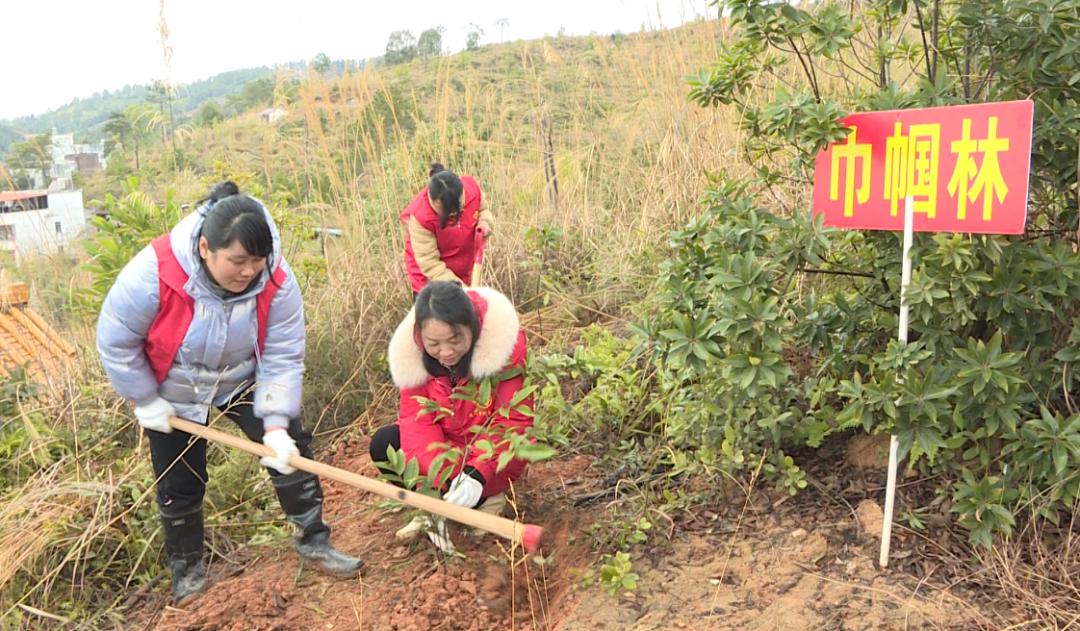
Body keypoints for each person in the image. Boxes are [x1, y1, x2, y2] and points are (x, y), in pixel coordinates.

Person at [96, 182, 363, 606]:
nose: (248, 272)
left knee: (292, 451)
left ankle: (314, 540)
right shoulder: (154, 271)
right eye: (237, 261)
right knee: (179, 479)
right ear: (205, 248)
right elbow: (116, 340)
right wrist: (144, 398)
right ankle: (188, 572)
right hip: (175, 386)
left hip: (243, 377)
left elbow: (283, 354)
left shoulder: (276, 278)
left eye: (256, 261)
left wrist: (275, 426)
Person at [369, 281, 532, 552]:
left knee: (503, 455)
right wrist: (435, 488)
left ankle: (488, 498)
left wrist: (476, 474)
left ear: (472, 327)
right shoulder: (413, 360)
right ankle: (434, 506)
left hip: (488, 453)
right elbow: (418, 426)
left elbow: (513, 423)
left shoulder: (505, 350)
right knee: (385, 443)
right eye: (434, 343)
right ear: (420, 337)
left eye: (455, 340)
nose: (445, 352)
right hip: (447, 450)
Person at [401, 163, 493, 294]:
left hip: (462, 269)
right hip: (431, 279)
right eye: (448, 213)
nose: (454, 215)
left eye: (457, 211)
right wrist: (462, 291)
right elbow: (430, 263)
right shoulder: (421, 217)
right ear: (435, 203)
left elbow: (483, 210)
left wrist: (485, 222)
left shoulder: (472, 189)